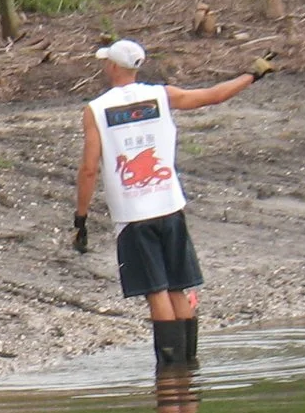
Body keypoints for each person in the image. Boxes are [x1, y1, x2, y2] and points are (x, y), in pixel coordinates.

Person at [73, 37, 267, 370]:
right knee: (178, 287)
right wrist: (252, 75)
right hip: (170, 206)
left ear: (113, 66)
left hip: (133, 216)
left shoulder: (96, 110)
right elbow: (214, 95)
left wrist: (81, 217)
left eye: (106, 61)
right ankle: (189, 365)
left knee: (156, 291)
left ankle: (171, 370)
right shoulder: (162, 95)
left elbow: (89, 168)